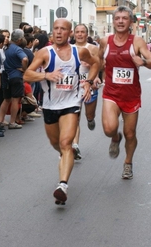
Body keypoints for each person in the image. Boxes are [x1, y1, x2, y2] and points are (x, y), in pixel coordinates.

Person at [23, 18, 99, 205]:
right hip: (50, 106)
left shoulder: (79, 52)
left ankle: (62, 185)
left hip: (71, 103)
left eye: (62, 29)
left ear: (69, 33)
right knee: (56, 143)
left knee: (66, 143)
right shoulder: (44, 53)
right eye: (55, 28)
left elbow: (96, 63)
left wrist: (89, 82)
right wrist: (46, 75)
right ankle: (65, 154)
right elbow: (27, 74)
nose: (58, 32)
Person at [98, 6, 151, 179]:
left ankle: (128, 162)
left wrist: (144, 62)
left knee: (130, 134)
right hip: (111, 93)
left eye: (125, 18)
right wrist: (95, 77)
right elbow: (98, 61)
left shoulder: (137, 41)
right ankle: (115, 138)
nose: (121, 21)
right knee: (109, 129)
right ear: (113, 21)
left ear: (131, 21)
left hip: (131, 95)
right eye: (117, 18)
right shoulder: (105, 41)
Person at [72, 24, 102, 160]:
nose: (79, 34)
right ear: (73, 34)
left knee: (89, 114)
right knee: (74, 117)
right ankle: (75, 146)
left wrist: (95, 78)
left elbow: (99, 65)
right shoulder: (69, 49)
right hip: (73, 87)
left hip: (89, 85)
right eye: (77, 32)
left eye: (82, 32)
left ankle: (90, 119)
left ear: (86, 34)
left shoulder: (94, 48)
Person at [0, 29, 28, 129]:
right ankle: (12, 122)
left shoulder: (6, 47)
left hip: (6, 75)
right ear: (19, 40)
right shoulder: (17, 49)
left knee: (6, 99)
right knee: (15, 100)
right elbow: (25, 59)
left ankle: (0, 120)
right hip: (16, 76)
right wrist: (24, 68)